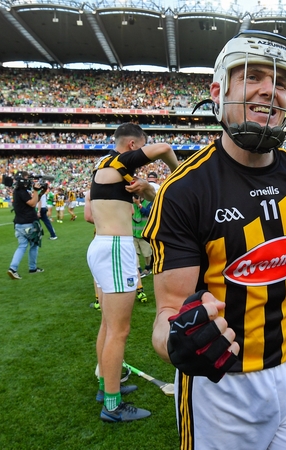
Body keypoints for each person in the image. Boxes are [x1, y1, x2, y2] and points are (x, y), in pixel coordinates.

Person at [143, 31, 286, 449]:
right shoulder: (183, 191)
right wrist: (176, 341)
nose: (270, 89)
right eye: (254, 76)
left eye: (283, 82)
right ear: (219, 91)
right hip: (222, 385)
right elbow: (167, 312)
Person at [87, 123, 178, 423]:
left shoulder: (104, 166)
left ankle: (106, 387)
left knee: (108, 325)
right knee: (119, 331)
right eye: (139, 148)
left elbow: (89, 214)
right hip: (115, 248)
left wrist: (147, 189)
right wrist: (178, 175)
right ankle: (112, 406)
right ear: (131, 146)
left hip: (101, 244)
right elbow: (164, 149)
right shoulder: (122, 160)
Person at [7, 173, 45, 280]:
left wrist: (39, 193)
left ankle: (13, 268)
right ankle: (31, 268)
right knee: (34, 245)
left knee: (22, 246)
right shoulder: (22, 192)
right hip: (28, 223)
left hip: (19, 223)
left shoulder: (17, 191)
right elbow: (32, 204)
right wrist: (36, 191)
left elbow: (32, 201)